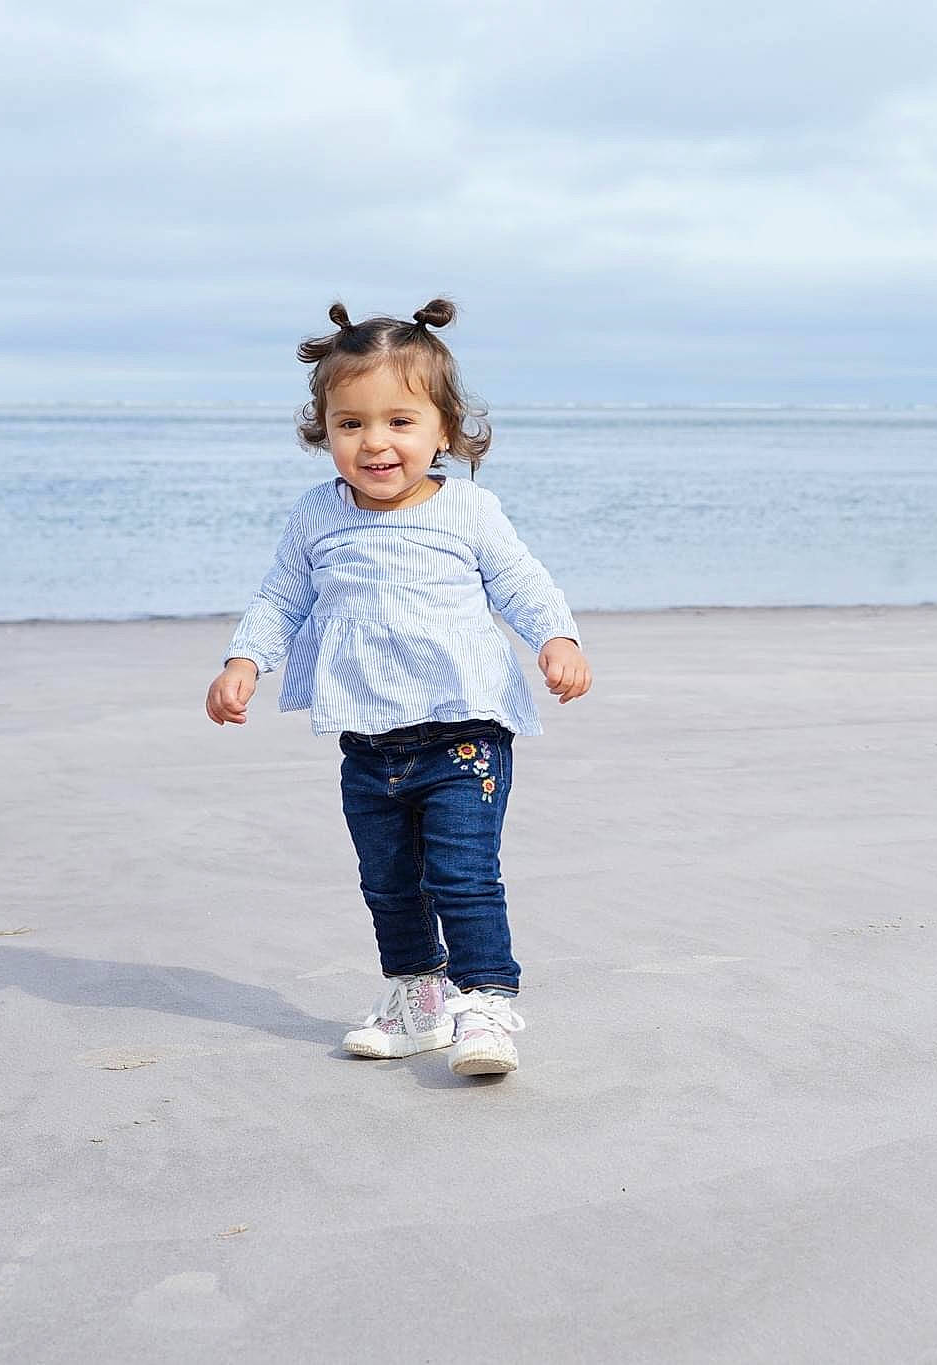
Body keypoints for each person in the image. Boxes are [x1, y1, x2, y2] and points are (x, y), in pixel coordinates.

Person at [205, 298, 591, 1077]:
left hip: (464, 734)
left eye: (399, 422)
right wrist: (244, 660)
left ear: (443, 429)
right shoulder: (318, 515)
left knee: (462, 875)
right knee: (387, 882)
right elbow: (281, 597)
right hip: (369, 742)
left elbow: (522, 583)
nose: (374, 442)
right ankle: (418, 1001)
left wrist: (557, 639)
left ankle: (485, 1005)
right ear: (324, 430)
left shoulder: (468, 510)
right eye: (350, 423)